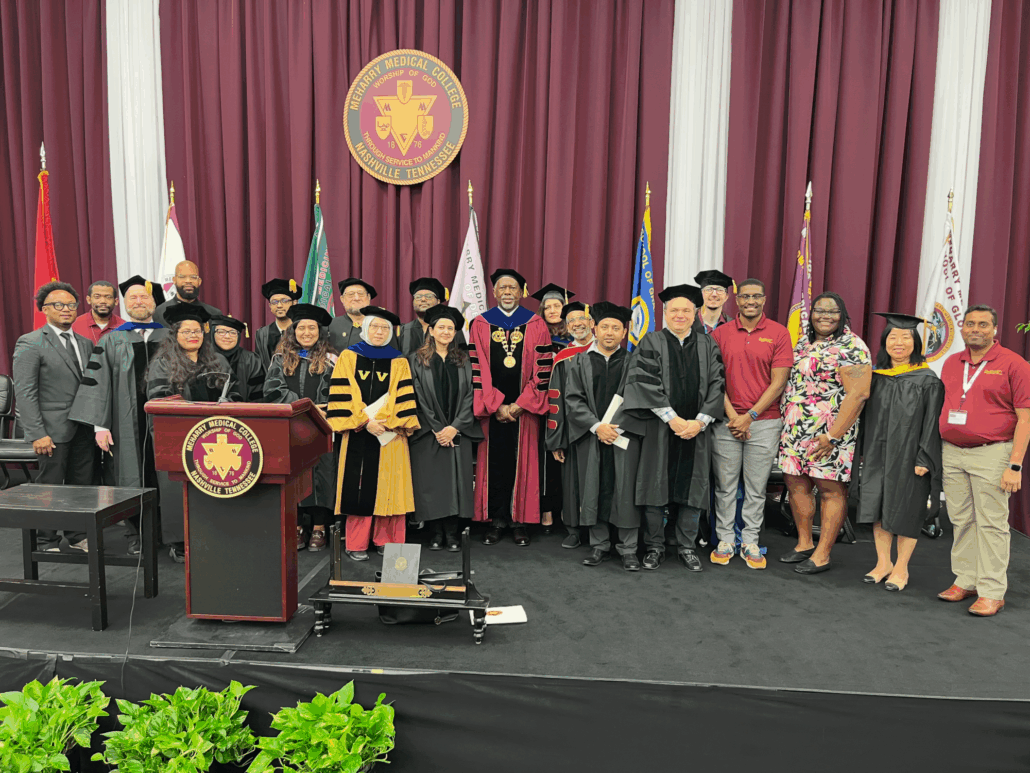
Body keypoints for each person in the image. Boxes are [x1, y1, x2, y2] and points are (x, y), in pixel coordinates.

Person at [618, 284, 725, 572]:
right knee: (655, 486)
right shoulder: (651, 341)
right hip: (660, 429)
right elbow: (643, 382)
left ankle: (687, 547)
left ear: (695, 313)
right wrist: (672, 419)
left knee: (694, 488)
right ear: (665, 313)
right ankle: (655, 547)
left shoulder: (708, 344)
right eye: (674, 310)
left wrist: (699, 422)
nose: (680, 315)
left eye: (686, 310)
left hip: (696, 431)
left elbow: (717, 384)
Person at [936, 305, 1030, 617]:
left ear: (995, 330)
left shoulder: (1014, 364)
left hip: (993, 452)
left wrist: (1014, 465)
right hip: (953, 451)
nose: (975, 329)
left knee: (991, 523)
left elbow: (1026, 419)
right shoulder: (952, 362)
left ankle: (992, 591)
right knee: (961, 519)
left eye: (983, 324)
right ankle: (966, 580)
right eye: (970, 323)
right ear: (962, 328)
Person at [69, 276, 168, 555]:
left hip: (166, 423)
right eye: (132, 297)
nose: (139, 301)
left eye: (144, 296)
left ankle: (172, 533)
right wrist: (100, 426)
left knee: (166, 475)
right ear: (124, 304)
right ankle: (136, 534)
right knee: (129, 475)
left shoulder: (170, 337)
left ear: (153, 302)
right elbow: (98, 382)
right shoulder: (112, 339)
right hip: (127, 423)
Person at [778, 292, 871, 575]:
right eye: (820, 310)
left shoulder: (851, 345)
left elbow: (859, 394)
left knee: (830, 490)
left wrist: (833, 436)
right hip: (795, 428)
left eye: (832, 311)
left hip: (829, 432)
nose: (825, 316)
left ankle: (822, 554)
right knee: (796, 485)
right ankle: (804, 543)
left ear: (842, 315)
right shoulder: (803, 342)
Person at [856, 313, 944, 592]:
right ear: (884, 342)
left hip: (909, 456)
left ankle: (902, 568)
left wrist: (925, 457)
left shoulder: (927, 380)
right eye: (892, 337)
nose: (899, 343)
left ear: (916, 343)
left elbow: (933, 422)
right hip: (877, 452)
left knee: (907, 509)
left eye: (906, 337)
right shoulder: (875, 377)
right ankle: (883, 563)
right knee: (878, 506)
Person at [709, 279, 792, 569]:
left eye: (756, 296)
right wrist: (734, 417)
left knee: (756, 488)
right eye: (745, 296)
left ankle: (750, 541)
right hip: (726, 422)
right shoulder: (720, 333)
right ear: (737, 300)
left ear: (764, 299)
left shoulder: (779, 333)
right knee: (725, 487)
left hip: (765, 422)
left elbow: (779, 382)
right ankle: (725, 540)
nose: (751, 301)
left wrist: (750, 416)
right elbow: (714, 380)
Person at [147, 304, 239, 562]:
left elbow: (235, 392)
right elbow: (159, 401)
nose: (193, 336)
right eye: (186, 331)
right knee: (179, 490)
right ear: (175, 335)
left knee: (213, 485)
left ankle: (213, 536)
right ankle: (179, 543)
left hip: (214, 436)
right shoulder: (163, 363)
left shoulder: (217, 360)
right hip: (177, 437)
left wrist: (227, 402)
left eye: (197, 331)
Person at [326, 306, 419, 561]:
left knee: (391, 486)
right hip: (358, 431)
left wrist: (386, 422)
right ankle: (356, 543)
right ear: (365, 328)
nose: (379, 331)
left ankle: (387, 541)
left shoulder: (399, 361)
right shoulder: (348, 356)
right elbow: (344, 392)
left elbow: (402, 396)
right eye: (375, 326)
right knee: (357, 487)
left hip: (390, 433)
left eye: (385, 328)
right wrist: (365, 421)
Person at [469, 269, 554, 546]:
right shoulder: (480, 323)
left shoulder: (536, 323)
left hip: (524, 411)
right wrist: (496, 405)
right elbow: (478, 369)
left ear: (522, 292)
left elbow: (543, 371)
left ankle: (520, 522)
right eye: (502, 287)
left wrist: (519, 405)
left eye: (513, 287)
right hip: (492, 410)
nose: (507, 292)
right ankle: (496, 520)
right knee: (493, 463)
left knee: (523, 463)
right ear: (494, 292)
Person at [12, 282, 96, 552]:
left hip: (83, 428)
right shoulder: (31, 342)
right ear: (44, 309)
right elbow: (25, 393)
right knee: (49, 486)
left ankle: (77, 535)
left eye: (71, 304)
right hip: (50, 431)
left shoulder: (85, 343)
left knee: (81, 485)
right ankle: (45, 539)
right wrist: (37, 433)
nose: (66, 309)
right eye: (58, 305)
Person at [563, 302, 642, 571]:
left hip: (624, 438)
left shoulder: (634, 362)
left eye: (616, 328)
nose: (609, 332)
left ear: (624, 332)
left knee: (626, 491)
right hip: (592, 437)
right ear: (595, 329)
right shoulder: (580, 361)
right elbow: (573, 399)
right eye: (605, 327)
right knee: (593, 488)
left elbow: (640, 400)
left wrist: (616, 428)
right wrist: (597, 427)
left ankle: (628, 549)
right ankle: (599, 545)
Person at [263, 304, 337, 552]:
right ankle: (296, 525)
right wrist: (306, 407)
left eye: (312, 328)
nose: (306, 332)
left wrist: (320, 411)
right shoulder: (280, 358)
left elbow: (339, 392)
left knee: (322, 475)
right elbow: (272, 390)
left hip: (322, 425)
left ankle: (319, 526)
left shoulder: (332, 360)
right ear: (293, 331)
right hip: (290, 425)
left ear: (320, 331)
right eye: (301, 328)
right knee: (294, 474)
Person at [408, 305, 483, 550]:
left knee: (456, 483)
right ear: (431, 330)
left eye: (450, 328)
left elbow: (471, 394)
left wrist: (455, 427)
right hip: (428, 433)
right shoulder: (415, 359)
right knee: (431, 482)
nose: (446, 332)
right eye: (441, 327)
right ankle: (435, 532)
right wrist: (438, 428)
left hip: (458, 432)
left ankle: (452, 533)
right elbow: (416, 396)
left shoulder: (465, 360)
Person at [545, 301, 595, 548]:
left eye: (581, 318)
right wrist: (557, 440)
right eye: (571, 320)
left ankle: (600, 530)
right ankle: (574, 529)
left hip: (603, 431)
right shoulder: (563, 358)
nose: (576, 324)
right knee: (573, 483)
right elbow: (555, 401)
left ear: (591, 322)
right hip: (573, 433)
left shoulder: (606, 351)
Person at [532, 284, 576, 531]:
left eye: (557, 305)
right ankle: (547, 510)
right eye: (547, 306)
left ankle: (568, 510)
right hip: (542, 404)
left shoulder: (574, 339)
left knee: (568, 457)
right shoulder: (535, 335)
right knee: (545, 458)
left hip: (570, 404)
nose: (552, 310)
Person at [398, 277, 466, 356]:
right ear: (413, 302)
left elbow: (463, 358)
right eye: (418, 297)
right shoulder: (404, 331)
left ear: (438, 301)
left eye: (429, 296)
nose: (423, 299)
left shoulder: (451, 329)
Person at [209, 315, 265, 401]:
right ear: (213, 334)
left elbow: (257, 394)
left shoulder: (252, 360)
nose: (227, 336)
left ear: (238, 337)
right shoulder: (204, 358)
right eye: (221, 332)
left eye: (233, 332)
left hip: (244, 408)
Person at [153, 260, 223, 326]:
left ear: (199, 281)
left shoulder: (213, 314)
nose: (188, 281)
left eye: (193, 277)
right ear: (174, 280)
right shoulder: (159, 312)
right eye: (182, 277)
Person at [254, 278, 303, 369]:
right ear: (270, 306)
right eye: (274, 302)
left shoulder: (304, 331)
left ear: (294, 303)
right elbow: (259, 365)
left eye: (284, 301)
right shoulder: (262, 334)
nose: (279, 305)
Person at [328, 278, 376, 353]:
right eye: (351, 294)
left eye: (361, 294)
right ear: (342, 299)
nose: (356, 298)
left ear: (368, 297)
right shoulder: (330, 326)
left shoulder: (382, 325)